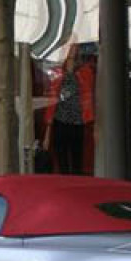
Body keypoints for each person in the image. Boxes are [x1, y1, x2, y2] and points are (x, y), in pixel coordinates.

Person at [42, 43, 94, 175]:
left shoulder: (85, 72)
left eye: (74, 51)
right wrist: (47, 133)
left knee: (77, 160)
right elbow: (52, 101)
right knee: (62, 160)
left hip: (78, 123)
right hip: (60, 122)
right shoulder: (58, 73)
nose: (72, 54)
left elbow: (89, 97)